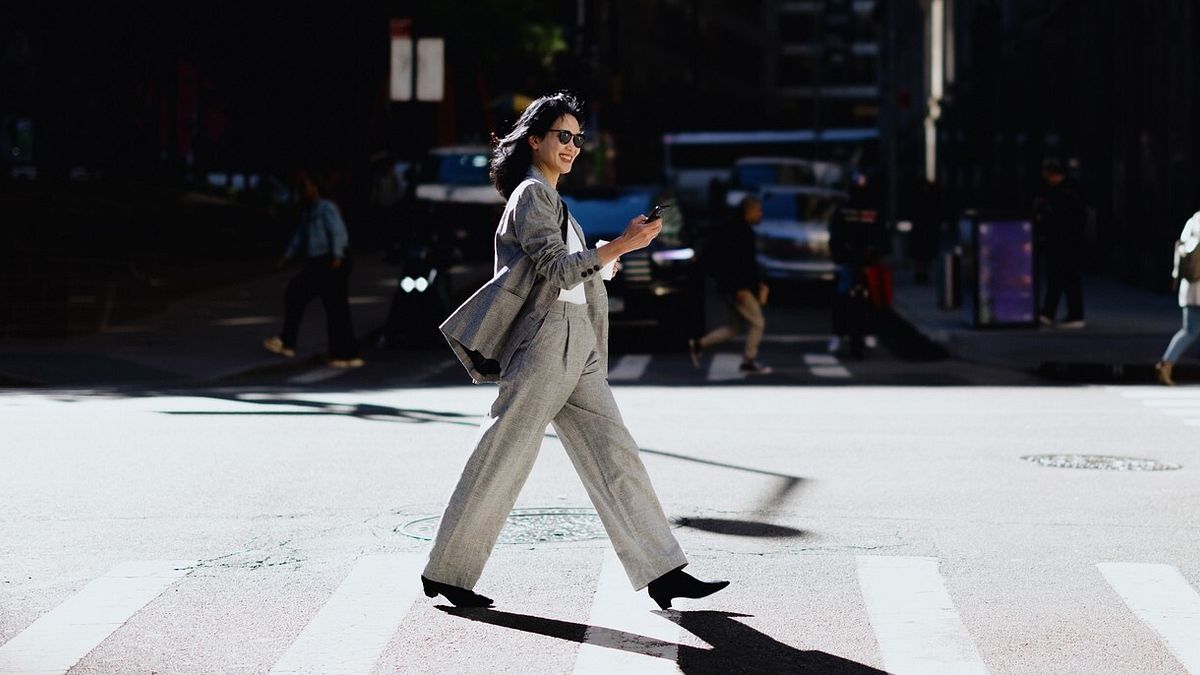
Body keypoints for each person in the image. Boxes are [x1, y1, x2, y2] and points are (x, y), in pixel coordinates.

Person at [420, 92, 728, 610]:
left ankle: (663, 570)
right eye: (563, 136)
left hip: (576, 338)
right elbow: (559, 271)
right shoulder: (531, 196)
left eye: (578, 138)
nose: (572, 146)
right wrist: (621, 247)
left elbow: (574, 272)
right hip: (544, 341)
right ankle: (447, 570)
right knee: (505, 454)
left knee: (615, 452)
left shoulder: (555, 202)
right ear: (535, 139)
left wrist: (615, 251)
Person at [263, 172, 363, 368]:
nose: (304, 190)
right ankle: (343, 354)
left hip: (329, 261)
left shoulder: (326, 207)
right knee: (329, 305)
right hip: (321, 261)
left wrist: (337, 256)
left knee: (314, 299)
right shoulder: (310, 210)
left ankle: (292, 342)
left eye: (307, 186)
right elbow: (300, 236)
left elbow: (338, 231)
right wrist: (286, 257)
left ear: (316, 186)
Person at [687, 196, 772, 375]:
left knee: (735, 328)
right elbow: (738, 264)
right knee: (758, 323)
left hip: (734, 286)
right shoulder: (741, 232)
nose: (760, 214)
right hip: (738, 287)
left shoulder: (735, 228)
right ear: (749, 210)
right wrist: (739, 288)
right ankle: (749, 361)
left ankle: (698, 344)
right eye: (758, 210)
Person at [828, 172, 888, 357]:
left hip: (868, 261)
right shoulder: (844, 210)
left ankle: (869, 331)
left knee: (873, 297)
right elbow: (836, 234)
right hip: (849, 259)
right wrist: (838, 254)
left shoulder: (874, 210)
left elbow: (882, 235)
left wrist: (878, 253)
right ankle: (838, 333)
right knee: (842, 295)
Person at [1034, 157, 1087, 328]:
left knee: (1065, 277)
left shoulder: (1061, 193)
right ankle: (1051, 312)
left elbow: (1059, 218)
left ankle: (1071, 314)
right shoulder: (1068, 190)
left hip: (1064, 240)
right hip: (1066, 240)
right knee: (1059, 277)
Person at [1156, 210, 1200, 386]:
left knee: (1189, 330)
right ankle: (1166, 364)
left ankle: (1166, 362)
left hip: (1189, 287)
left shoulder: (1192, 221)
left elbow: (1181, 249)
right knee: (1191, 330)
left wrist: (1176, 277)